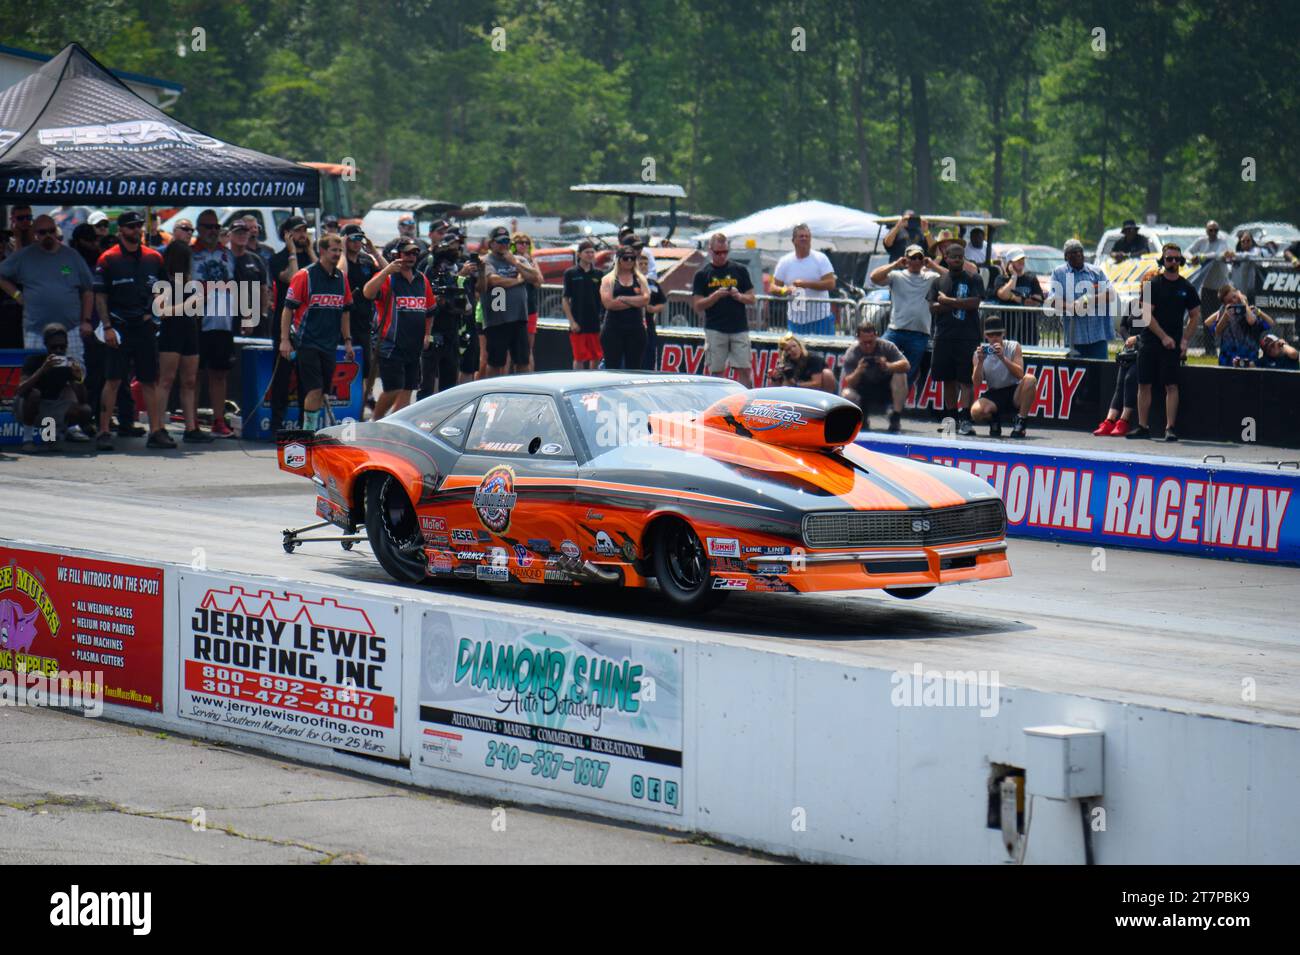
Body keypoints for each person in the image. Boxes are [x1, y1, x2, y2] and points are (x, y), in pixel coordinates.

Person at [92, 211, 167, 451]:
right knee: (113, 379)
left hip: (144, 327)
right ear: (121, 230)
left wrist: (155, 316)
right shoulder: (108, 259)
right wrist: (107, 327)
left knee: (150, 380)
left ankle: (156, 430)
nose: (137, 230)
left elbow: (162, 289)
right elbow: (100, 296)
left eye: (139, 226)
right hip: (119, 326)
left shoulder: (154, 257)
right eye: (131, 226)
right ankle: (104, 430)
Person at [280, 234, 355, 432]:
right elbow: (288, 309)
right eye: (333, 250)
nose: (337, 254)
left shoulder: (341, 278)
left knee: (322, 391)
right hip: (307, 342)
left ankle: (311, 429)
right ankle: (308, 432)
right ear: (322, 251)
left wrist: (347, 341)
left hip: (329, 344)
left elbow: (345, 311)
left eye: (340, 251)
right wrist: (284, 340)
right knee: (314, 389)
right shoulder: (305, 275)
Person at [1129, 243, 1200, 441]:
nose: (1173, 262)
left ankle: (1170, 428)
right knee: (1144, 384)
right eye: (1169, 258)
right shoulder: (1153, 285)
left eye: (1177, 259)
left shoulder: (1186, 287)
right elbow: (1146, 315)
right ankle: (1143, 426)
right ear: (1163, 260)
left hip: (1173, 344)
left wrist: (1185, 339)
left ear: (1181, 261)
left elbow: (1195, 315)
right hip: (1151, 341)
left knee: (1171, 385)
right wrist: (1163, 337)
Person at [0, 213, 94, 363]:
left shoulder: (72, 256)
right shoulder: (24, 256)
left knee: (76, 374)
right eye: (42, 232)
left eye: (51, 230)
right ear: (35, 233)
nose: (48, 235)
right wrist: (17, 295)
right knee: (35, 374)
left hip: (70, 329)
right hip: (36, 329)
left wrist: (86, 320)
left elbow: (88, 290)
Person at [364, 237, 435, 418]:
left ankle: (395, 427)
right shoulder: (389, 278)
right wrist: (386, 270)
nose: (411, 257)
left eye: (415, 253)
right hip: (391, 344)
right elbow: (367, 292)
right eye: (407, 253)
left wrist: (427, 334)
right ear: (397, 255)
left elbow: (430, 311)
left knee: (408, 389)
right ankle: (375, 422)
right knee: (393, 388)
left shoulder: (422, 279)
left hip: (414, 344)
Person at [153, 240, 210, 443]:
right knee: (166, 380)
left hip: (189, 329)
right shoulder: (163, 279)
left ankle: (191, 427)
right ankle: (158, 426)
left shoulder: (187, 280)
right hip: (171, 330)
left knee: (190, 381)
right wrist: (188, 304)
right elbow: (162, 312)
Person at [928, 242, 985, 434]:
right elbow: (933, 308)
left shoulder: (974, 278)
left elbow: (975, 303)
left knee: (966, 380)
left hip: (968, 337)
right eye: (954, 256)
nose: (958, 259)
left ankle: (966, 418)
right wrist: (958, 304)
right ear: (946, 258)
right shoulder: (938, 281)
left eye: (961, 256)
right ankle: (950, 419)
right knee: (948, 380)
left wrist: (948, 301)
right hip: (944, 337)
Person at [191, 209, 239, 438]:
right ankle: (192, 423)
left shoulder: (227, 255)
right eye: (207, 226)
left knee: (219, 373)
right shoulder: (191, 253)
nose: (212, 231)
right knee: (194, 374)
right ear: (199, 228)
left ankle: (218, 419)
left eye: (215, 227)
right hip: (197, 321)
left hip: (222, 320)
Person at [869, 245, 941, 394]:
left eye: (919, 257)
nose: (916, 261)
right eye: (912, 257)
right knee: (876, 357)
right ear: (906, 259)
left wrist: (933, 265)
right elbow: (874, 277)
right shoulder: (896, 275)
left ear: (923, 260)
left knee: (908, 372)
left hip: (919, 334)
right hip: (895, 330)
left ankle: (896, 404)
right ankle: (876, 393)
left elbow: (951, 278)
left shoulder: (931, 277)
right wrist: (895, 264)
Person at [268, 217, 316, 432]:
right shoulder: (278, 258)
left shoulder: (313, 258)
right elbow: (294, 278)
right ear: (287, 234)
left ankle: (304, 426)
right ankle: (277, 425)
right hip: (285, 326)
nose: (302, 235)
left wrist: (312, 250)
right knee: (282, 378)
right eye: (297, 232)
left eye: (305, 231)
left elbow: (321, 275)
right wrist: (291, 251)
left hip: (309, 328)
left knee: (307, 380)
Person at [15, 323, 94, 451]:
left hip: (51, 410)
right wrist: (43, 369)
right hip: (26, 406)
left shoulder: (68, 364)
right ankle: (27, 439)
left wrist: (78, 378)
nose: (58, 351)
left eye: (62, 347)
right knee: (34, 394)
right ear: (46, 345)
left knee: (84, 410)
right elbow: (20, 390)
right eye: (54, 347)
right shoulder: (34, 361)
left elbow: (83, 400)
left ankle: (51, 437)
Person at [691, 233, 756, 387]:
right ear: (710, 250)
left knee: (745, 369)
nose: (721, 256)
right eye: (718, 252)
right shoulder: (702, 274)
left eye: (725, 252)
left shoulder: (739, 270)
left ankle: (746, 401)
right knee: (717, 371)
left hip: (739, 327)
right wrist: (715, 296)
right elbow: (697, 305)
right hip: (715, 328)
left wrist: (738, 296)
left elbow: (752, 298)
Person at [418, 229, 476, 397]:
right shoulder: (428, 270)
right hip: (432, 332)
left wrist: (456, 289)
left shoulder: (457, 276)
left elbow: (467, 308)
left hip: (452, 333)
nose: (447, 267)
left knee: (449, 384)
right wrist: (435, 301)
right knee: (427, 384)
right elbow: (424, 305)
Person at [480, 225, 537, 378]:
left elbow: (535, 278)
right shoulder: (485, 261)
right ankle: (493, 393)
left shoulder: (518, 259)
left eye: (506, 241)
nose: (503, 244)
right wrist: (518, 281)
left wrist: (516, 263)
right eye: (499, 241)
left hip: (519, 318)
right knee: (496, 362)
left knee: (522, 360)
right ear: (491, 243)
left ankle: (522, 392)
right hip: (497, 319)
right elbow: (494, 281)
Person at [1046, 239, 1115, 360]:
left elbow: (1111, 294)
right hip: (1074, 338)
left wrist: (1089, 300)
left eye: (1080, 251)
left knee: (1099, 375)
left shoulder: (1096, 272)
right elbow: (1051, 300)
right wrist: (1071, 307)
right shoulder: (1059, 273)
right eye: (1073, 252)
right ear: (1066, 256)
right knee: (1076, 375)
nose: (1078, 254)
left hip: (1098, 337)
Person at [341, 224, 385, 410]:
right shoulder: (340, 260)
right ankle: (346, 397)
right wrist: (342, 249)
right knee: (345, 359)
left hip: (364, 317)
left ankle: (367, 396)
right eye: (353, 239)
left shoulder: (367, 261)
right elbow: (341, 274)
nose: (357, 243)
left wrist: (374, 252)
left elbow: (386, 272)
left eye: (360, 239)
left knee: (368, 363)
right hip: (344, 317)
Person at [969, 316, 1035, 438]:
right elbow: (976, 383)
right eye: (991, 335)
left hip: (1014, 391)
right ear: (986, 336)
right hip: (994, 393)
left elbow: (1020, 374)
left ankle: (1021, 421)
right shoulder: (979, 353)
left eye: (998, 334)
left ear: (1003, 333)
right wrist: (980, 363)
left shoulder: (1013, 346)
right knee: (976, 412)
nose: (995, 338)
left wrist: (1003, 358)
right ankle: (994, 420)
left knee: (1030, 379)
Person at [838, 320, 909, 432]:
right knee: (847, 394)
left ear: (876, 336)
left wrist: (888, 366)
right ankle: (860, 418)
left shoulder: (887, 346)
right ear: (858, 339)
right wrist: (858, 370)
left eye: (871, 342)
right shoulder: (852, 352)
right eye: (864, 343)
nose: (868, 346)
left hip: (886, 389)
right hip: (863, 390)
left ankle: (895, 417)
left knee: (901, 375)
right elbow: (848, 382)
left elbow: (906, 365)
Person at [772, 223, 837, 336]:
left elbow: (831, 284)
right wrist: (785, 290)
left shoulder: (821, 259)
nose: (804, 238)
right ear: (794, 240)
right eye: (801, 236)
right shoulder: (785, 261)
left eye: (807, 236)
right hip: (795, 321)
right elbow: (773, 287)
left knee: (823, 352)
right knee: (796, 353)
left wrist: (806, 284)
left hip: (820, 319)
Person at [599, 246, 650, 370]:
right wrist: (635, 301)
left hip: (635, 328)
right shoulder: (609, 279)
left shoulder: (640, 279)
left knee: (634, 368)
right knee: (612, 367)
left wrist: (624, 298)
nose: (629, 261)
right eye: (625, 258)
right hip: (613, 328)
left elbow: (645, 299)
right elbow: (609, 304)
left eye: (632, 258)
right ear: (619, 260)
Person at [1092, 313, 1139, 437]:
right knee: (1120, 383)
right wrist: (1128, 339)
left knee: (1130, 379)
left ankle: (1124, 421)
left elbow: (1152, 331)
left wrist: (1137, 339)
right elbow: (1123, 326)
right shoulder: (1133, 304)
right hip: (1130, 351)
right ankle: (1110, 420)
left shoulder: (1153, 306)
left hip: (1145, 351)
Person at [1203, 284, 1274, 367]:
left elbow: (1252, 321)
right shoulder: (1224, 315)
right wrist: (1224, 312)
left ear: (1238, 294)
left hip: (1248, 361)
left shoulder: (1250, 311)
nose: (1234, 301)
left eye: (1234, 297)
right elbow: (1215, 330)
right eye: (1229, 301)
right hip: (1227, 362)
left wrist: (1245, 303)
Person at [563, 240, 603, 370]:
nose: (590, 255)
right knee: (579, 357)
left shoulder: (599, 274)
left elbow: (603, 298)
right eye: (587, 252)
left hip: (595, 322)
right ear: (579, 254)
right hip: (578, 323)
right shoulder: (570, 273)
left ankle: (593, 382)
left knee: (596, 356)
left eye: (592, 252)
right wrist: (572, 321)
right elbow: (565, 299)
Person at [1187, 220, 1231, 334]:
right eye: (1211, 230)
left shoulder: (1222, 242)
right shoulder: (1201, 241)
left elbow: (1218, 254)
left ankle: (1220, 344)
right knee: (1207, 318)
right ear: (1206, 230)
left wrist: (1201, 257)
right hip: (1206, 286)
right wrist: (1192, 257)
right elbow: (1187, 252)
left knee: (1221, 316)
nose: (1213, 232)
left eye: (1216, 230)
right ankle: (1208, 347)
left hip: (1221, 288)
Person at [994, 247, 1044, 346]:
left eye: (1022, 259)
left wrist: (1015, 298)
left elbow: (1037, 300)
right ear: (1010, 263)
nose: (1021, 262)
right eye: (1017, 260)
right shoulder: (1001, 279)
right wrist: (1014, 277)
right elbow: (1003, 295)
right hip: (1007, 328)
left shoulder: (1031, 278)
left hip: (1029, 329)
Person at [511, 232, 542, 373]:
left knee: (528, 349)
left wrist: (528, 266)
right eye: (520, 242)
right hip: (511, 309)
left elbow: (539, 282)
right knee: (508, 351)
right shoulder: (510, 260)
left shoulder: (532, 261)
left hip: (529, 308)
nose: (523, 245)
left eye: (526, 243)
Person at [766, 333, 836, 393]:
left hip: (819, 389)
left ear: (799, 346)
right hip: (799, 390)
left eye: (794, 346)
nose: (793, 350)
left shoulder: (813, 358)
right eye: (788, 349)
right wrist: (774, 378)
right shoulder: (785, 363)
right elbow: (777, 386)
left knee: (827, 373)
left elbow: (817, 383)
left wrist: (796, 385)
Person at [640, 251, 666, 369]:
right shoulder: (630, 281)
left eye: (646, 264)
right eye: (641, 264)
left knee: (650, 356)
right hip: (635, 325)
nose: (644, 266)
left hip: (649, 326)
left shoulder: (653, 284)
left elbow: (662, 302)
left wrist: (654, 308)